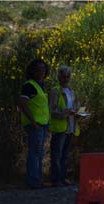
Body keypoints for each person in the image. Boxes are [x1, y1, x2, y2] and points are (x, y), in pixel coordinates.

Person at [17, 59, 50, 189]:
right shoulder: (29, 85)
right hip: (35, 124)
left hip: (43, 124)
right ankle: (33, 181)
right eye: (38, 69)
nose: (41, 72)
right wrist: (33, 121)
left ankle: (37, 180)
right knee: (35, 153)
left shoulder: (40, 85)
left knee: (39, 153)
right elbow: (22, 103)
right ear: (32, 71)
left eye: (43, 69)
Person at [49, 65, 80, 186]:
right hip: (59, 128)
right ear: (58, 77)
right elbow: (52, 111)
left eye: (67, 76)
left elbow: (76, 106)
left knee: (65, 155)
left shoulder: (72, 91)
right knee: (57, 155)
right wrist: (65, 113)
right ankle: (56, 179)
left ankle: (63, 177)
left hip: (70, 127)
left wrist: (78, 112)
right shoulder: (55, 91)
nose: (65, 79)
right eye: (63, 76)